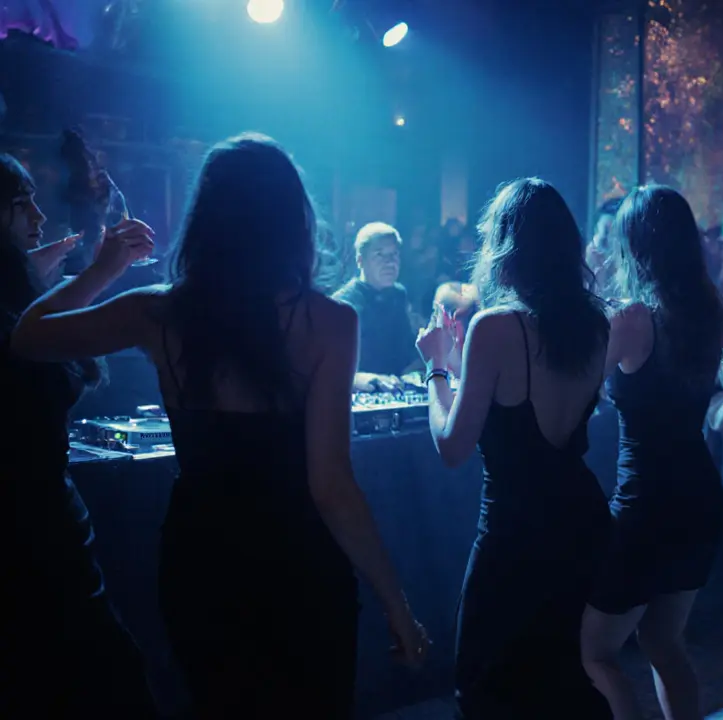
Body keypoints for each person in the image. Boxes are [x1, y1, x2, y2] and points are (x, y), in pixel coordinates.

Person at [12, 134, 426, 717]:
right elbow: (332, 487)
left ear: (204, 218)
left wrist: (104, 269)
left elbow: (28, 336)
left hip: (202, 560)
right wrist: (397, 603)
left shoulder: (157, 311)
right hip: (300, 565)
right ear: (293, 221)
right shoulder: (329, 321)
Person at [415, 177, 612, 718]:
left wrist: (435, 366)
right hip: (581, 527)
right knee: (562, 686)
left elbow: (453, 445)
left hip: (515, 537)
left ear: (505, 248)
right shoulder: (596, 325)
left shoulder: (496, 326)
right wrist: (461, 370)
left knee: (488, 689)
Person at [0, 153, 155, 717]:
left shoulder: (18, 281)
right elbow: (27, 348)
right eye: (24, 203)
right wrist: (99, 274)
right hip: (29, 522)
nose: (39, 217)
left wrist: (34, 277)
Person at [580, 186, 723, 720]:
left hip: (647, 505)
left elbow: (582, 392)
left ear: (633, 244)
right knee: (664, 644)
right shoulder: (709, 310)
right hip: (699, 497)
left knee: (594, 652)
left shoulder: (632, 319)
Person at [332, 222, 420, 392]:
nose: (390, 262)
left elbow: (406, 351)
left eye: (394, 254)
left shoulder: (399, 295)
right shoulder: (342, 304)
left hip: (398, 393)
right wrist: (361, 379)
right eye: (380, 255)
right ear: (360, 261)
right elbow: (331, 367)